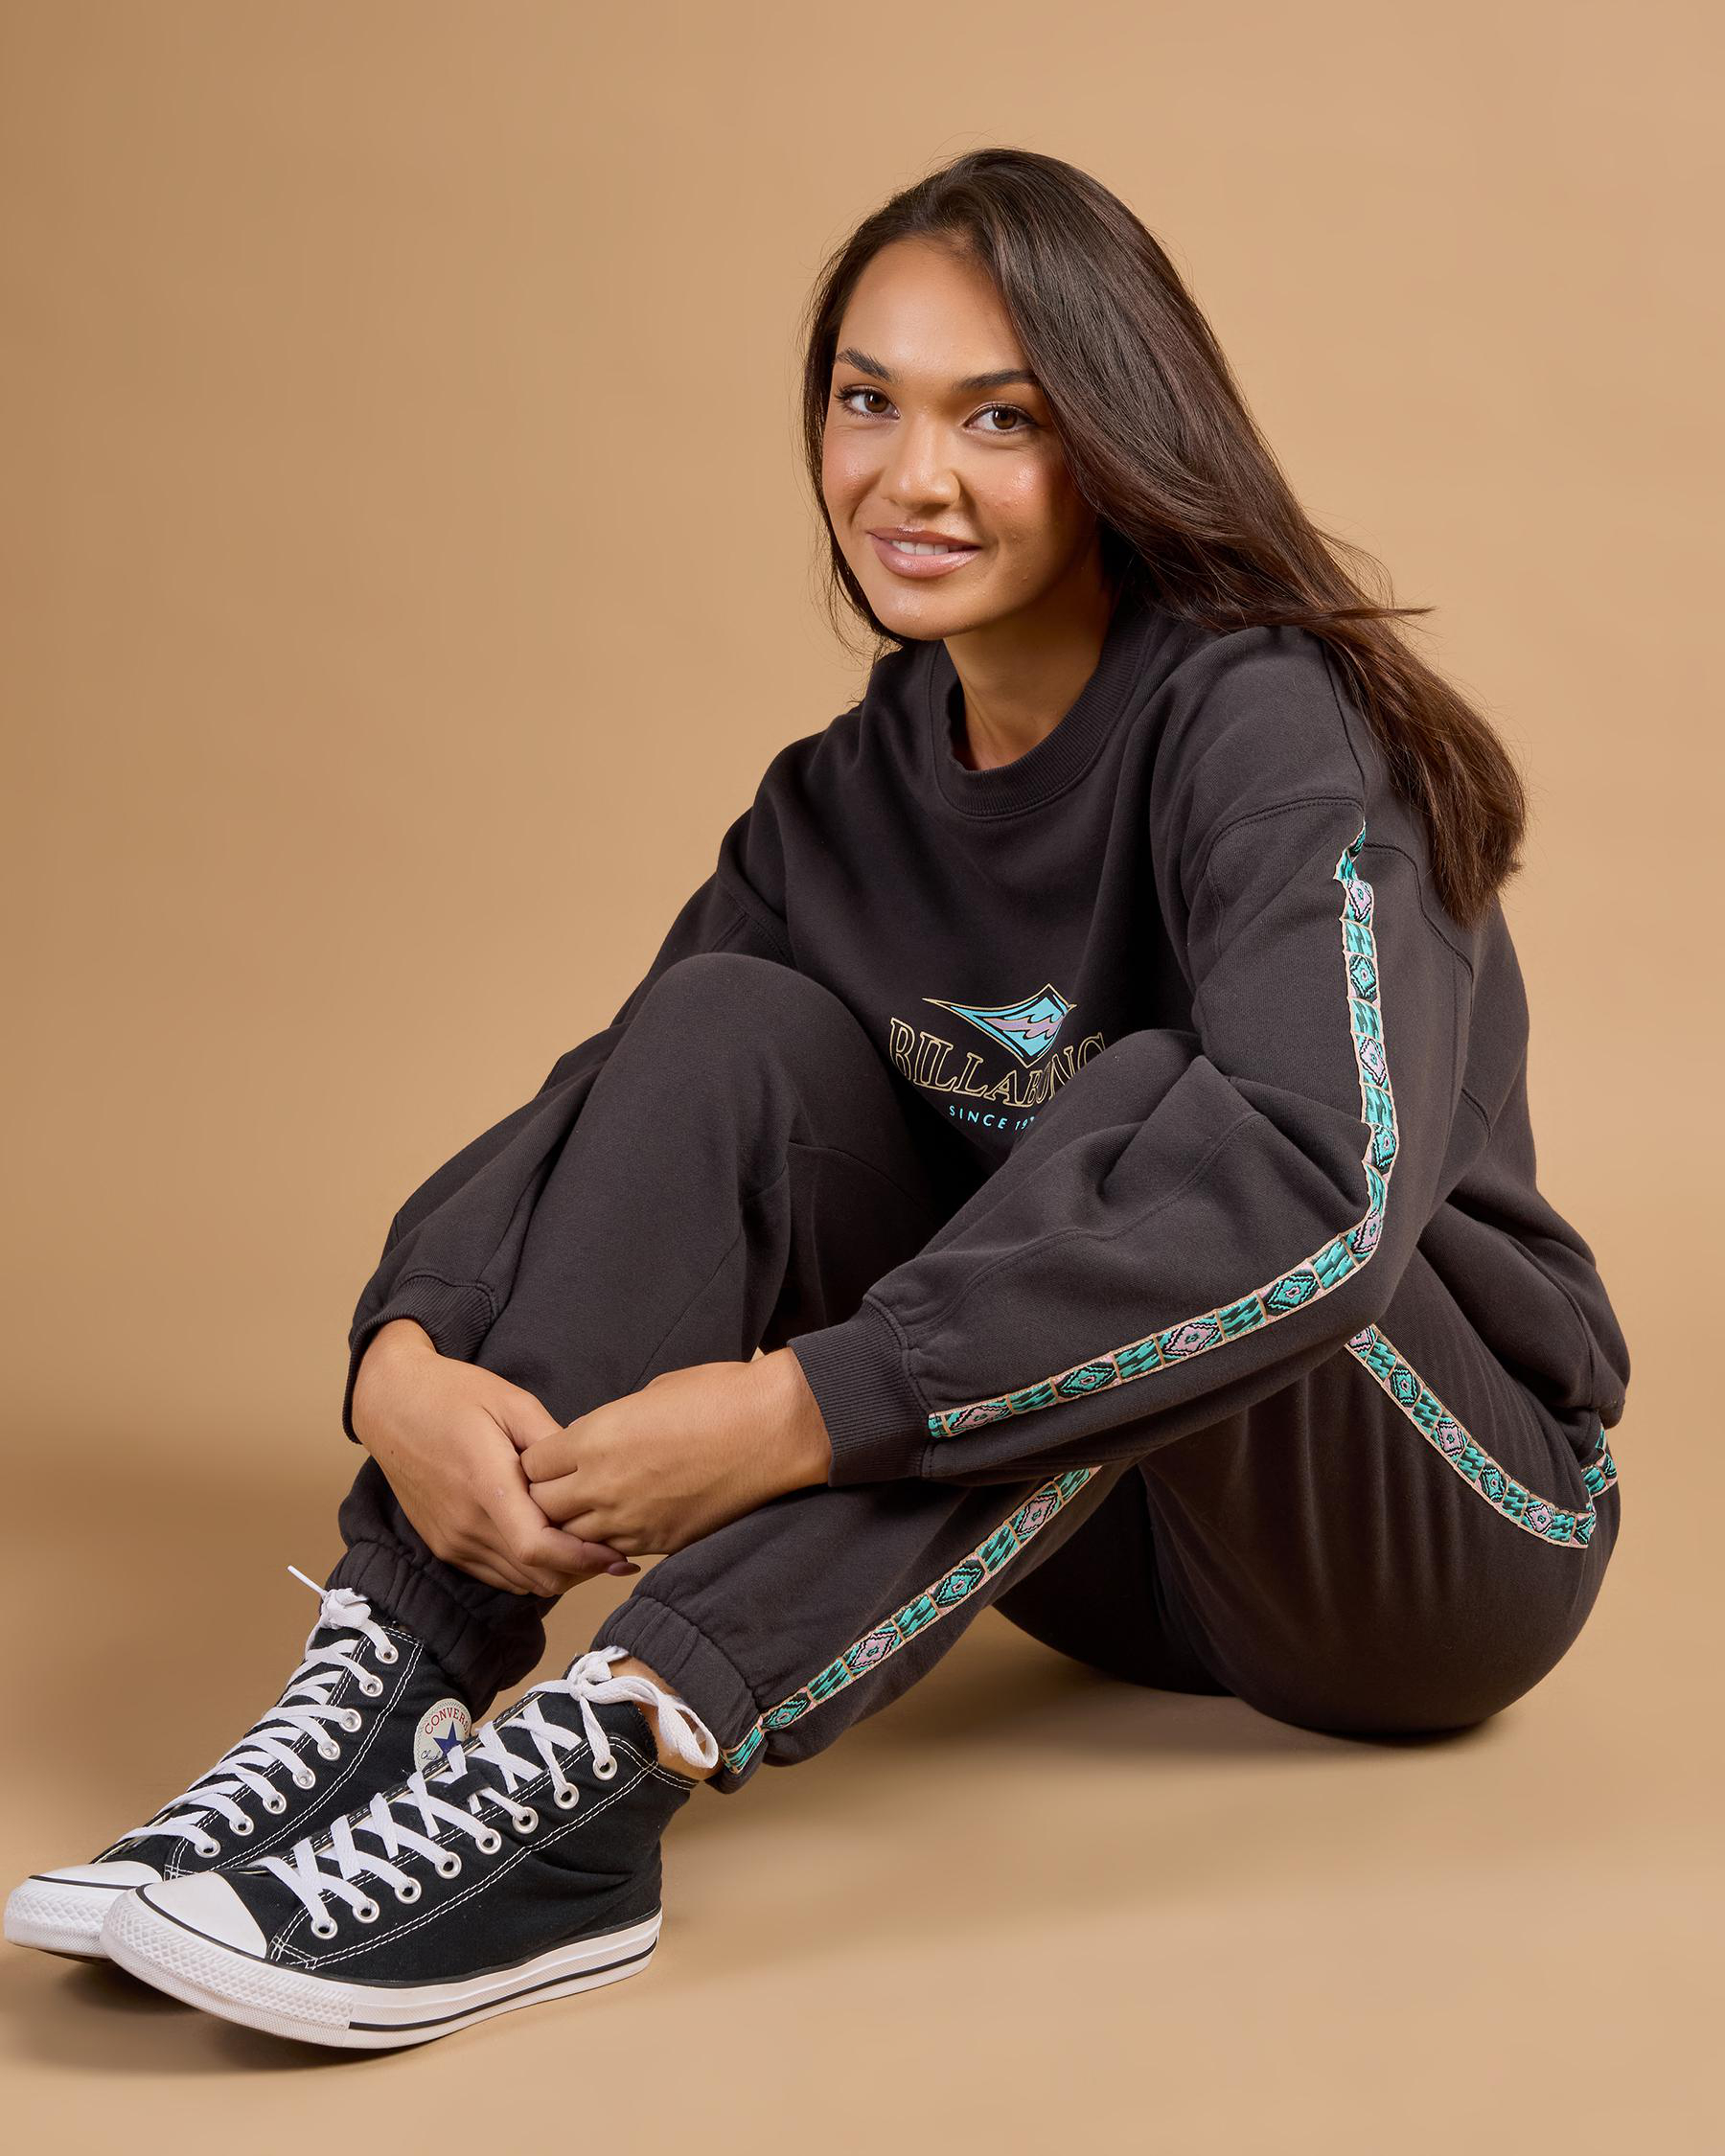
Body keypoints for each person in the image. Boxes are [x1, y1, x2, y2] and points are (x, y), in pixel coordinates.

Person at [6, 147, 1629, 2049]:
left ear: (1117, 438)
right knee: (724, 1026)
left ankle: (606, 1775)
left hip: (1429, 1537)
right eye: (870, 401)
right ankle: (393, 1681)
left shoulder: (1271, 720)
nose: (911, 476)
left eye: (1000, 417)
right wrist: (407, 1350)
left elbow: (1320, 1195)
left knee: (1148, 1122)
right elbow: (620, 1106)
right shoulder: (845, 793)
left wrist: (800, 1410)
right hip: (1088, 1552)